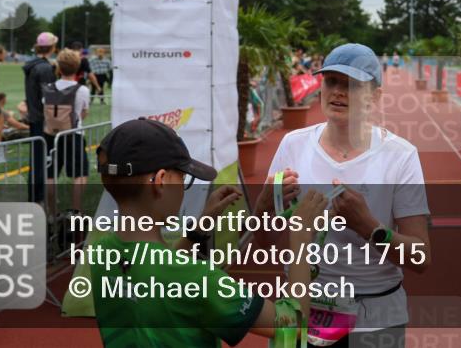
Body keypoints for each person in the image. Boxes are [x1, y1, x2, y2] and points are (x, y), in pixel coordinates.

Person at [90, 118, 326, 347]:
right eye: (182, 178)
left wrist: (198, 231)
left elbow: (158, 270)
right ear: (161, 181)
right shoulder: (199, 279)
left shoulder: (102, 251)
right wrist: (301, 237)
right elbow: (292, 326)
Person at [255, 43, 430, 347]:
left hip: (375, 315)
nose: (338, 92)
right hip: (303, 307)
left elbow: (420, 257)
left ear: (375, 96)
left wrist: (369, 228)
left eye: (351, 85)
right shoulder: (292, 146)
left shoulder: (400, 156)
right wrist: (263, 205)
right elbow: (264, 242)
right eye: (332, 81)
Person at [44, 49, 91, 213]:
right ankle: (76, 210)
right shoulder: (82, 90)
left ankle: (51, 210)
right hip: (74, 134)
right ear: (77, 67)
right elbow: (83, 113)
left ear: (59, 67)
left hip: (50, 134)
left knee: (50, 174)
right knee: (80, 173)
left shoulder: (48, 87)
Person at [24, 32, 58, 203]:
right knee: (41, 159)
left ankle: (35, 194)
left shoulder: (34, 65)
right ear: (52, 48)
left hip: (34, 115)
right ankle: (38, 196)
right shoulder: (44, 68)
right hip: (42, 118)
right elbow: (48, 97)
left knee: (37, 158)